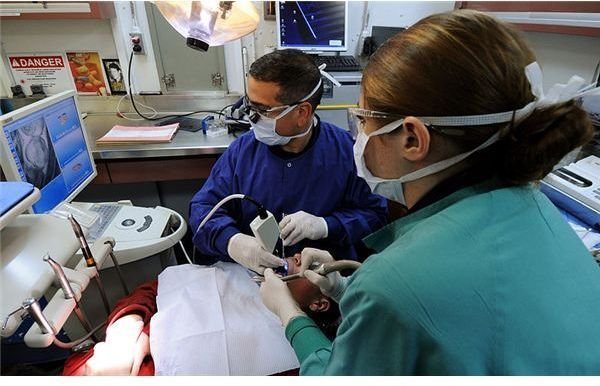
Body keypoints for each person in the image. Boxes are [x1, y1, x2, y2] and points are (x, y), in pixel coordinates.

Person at [259, 10, 600, 375]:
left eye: (362, 120)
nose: (357, 136)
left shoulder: (392, 285)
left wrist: (290, 314)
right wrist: (346, 289)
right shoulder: (536, 207)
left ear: (412, 138)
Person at [189, 49, 387, 273]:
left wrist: (325, 226)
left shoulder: (346, 153)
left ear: (302, 113)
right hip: (251, 281)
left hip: (321, 284)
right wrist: (233, 242)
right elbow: (203, 210)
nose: (250, 117)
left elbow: (375, 215)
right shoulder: (243, 152)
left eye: (262, 110)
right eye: (249, 105)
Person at [62, 256, 340, 376]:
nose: (299, 254)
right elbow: (153, 289)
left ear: (319, 304)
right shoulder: (239, 276)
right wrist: (128, 326)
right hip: (118, 350)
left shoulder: (292, 361)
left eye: (313, 266)